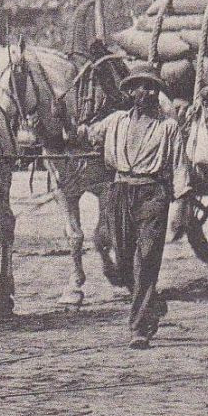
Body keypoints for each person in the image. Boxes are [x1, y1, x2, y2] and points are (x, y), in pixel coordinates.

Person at [84, 69, 191, 348]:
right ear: (130, 93)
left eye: (152, 88)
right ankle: (151, 302)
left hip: (152, 193)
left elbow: (180, 166)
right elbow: (86, 135)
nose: (148, 93)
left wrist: (181, 204)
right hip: (120, 192)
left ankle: (139, 326)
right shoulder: (116, 122)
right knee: (124, 259)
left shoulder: (168, 127)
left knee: (146, 256)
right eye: (141, 87)